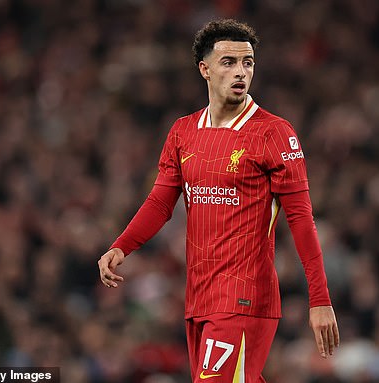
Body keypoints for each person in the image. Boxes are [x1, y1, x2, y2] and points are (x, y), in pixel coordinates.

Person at [98, 19, 339, 382]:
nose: (241, 72)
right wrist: (122, 246)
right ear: (205, 69)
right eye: (229, 62)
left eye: (248, 62)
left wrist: (319, 299)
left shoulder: (274, 134)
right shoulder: (183, 131)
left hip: (244, 298)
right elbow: (161, 203)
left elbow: (302, 220)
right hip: (199, 299)